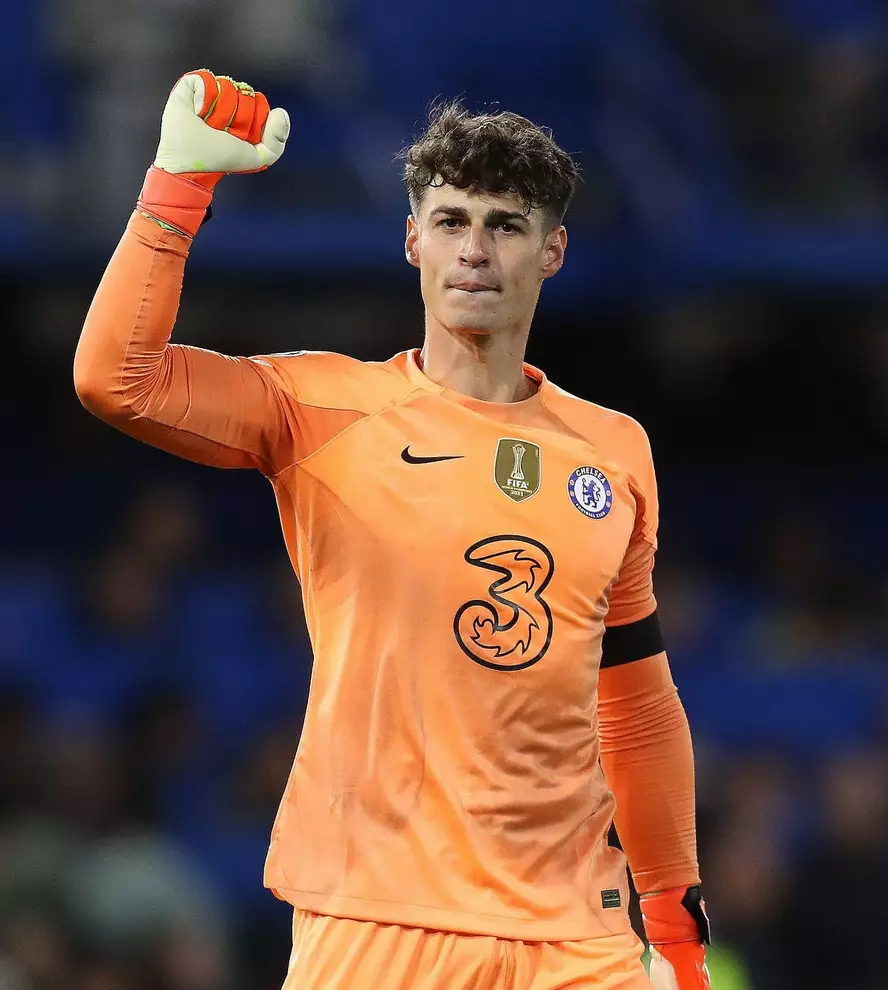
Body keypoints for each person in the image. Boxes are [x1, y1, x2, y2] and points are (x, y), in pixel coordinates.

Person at [73, 69, 709, 990]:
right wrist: (178, 184)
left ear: (553, 252)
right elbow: (117, 379)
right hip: (377, 917)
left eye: (506, 225)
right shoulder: (321, 407)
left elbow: (637, 700)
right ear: (413, 241)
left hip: (575, 930)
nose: (475, 251)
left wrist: (676, 922)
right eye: (452, 222)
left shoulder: (614, 452)